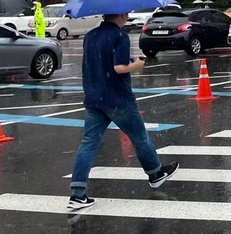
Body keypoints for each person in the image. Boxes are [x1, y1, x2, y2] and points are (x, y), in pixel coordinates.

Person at [67, 13, 179, 211]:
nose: (127, 16)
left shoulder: (91, 35)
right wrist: (137, 64)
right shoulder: (120, 36)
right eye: (126, 13)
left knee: (88, 144)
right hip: (118, 98)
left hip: (94, 98)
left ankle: (77, 193)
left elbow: (99, 63)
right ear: (120, 15)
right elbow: (118, 68)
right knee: (140, 137)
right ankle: (155, 173)